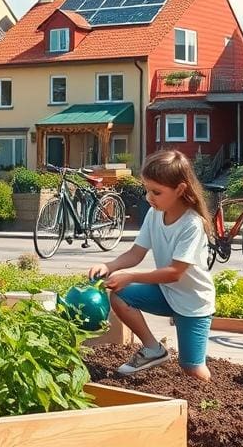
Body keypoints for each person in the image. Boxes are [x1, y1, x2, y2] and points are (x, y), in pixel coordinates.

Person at [88, 149, 215, 382]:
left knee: (192, 369)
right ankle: (153, 349)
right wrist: (109, 265)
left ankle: (210, 399)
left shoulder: (192, 224)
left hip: (193, 303)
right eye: (147, 189)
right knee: (120, 295)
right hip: (166, 294)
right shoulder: (155, 214)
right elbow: (136, 253)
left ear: (180, 189)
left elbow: (175, 273)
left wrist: (131, 276)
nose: (149, 197)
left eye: (156, 192)